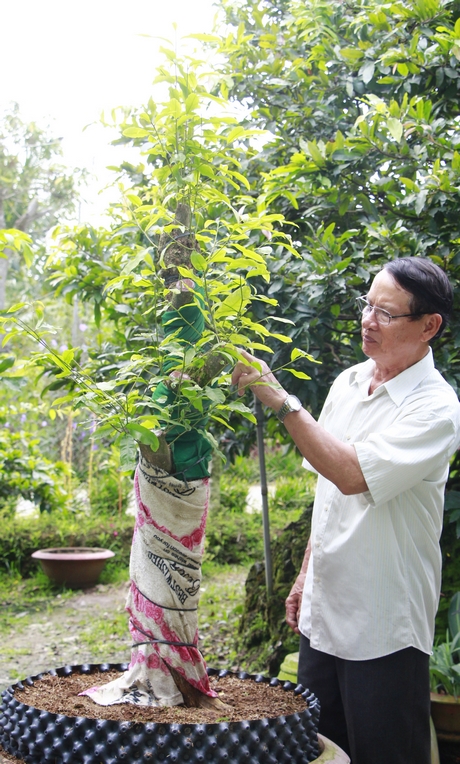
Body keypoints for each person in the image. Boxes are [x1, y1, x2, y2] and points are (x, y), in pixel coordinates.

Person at [231, 257, 460, 764]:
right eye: (367, 305)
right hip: (325, 616)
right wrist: (304, 577)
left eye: (385, 312)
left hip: (384, 625)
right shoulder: (350, 382)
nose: (368, 320)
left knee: (384, 754)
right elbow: (329, 496)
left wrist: (282, 400)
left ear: (429, 326)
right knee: (321, 751)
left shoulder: (435, 408)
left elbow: (351, 474)